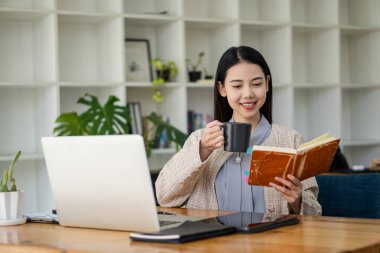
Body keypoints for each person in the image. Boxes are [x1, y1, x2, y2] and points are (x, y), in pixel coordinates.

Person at [156, 46, 322, 215]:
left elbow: (315, 214)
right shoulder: (201, 139)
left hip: (271, 240)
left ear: (267, 84)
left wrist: (297, 201)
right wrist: (203, 150)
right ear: (222, 89)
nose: (248, 94)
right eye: (237, 86)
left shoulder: (291, 140)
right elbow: (164, 197)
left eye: (256, 84)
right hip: (212, 240)